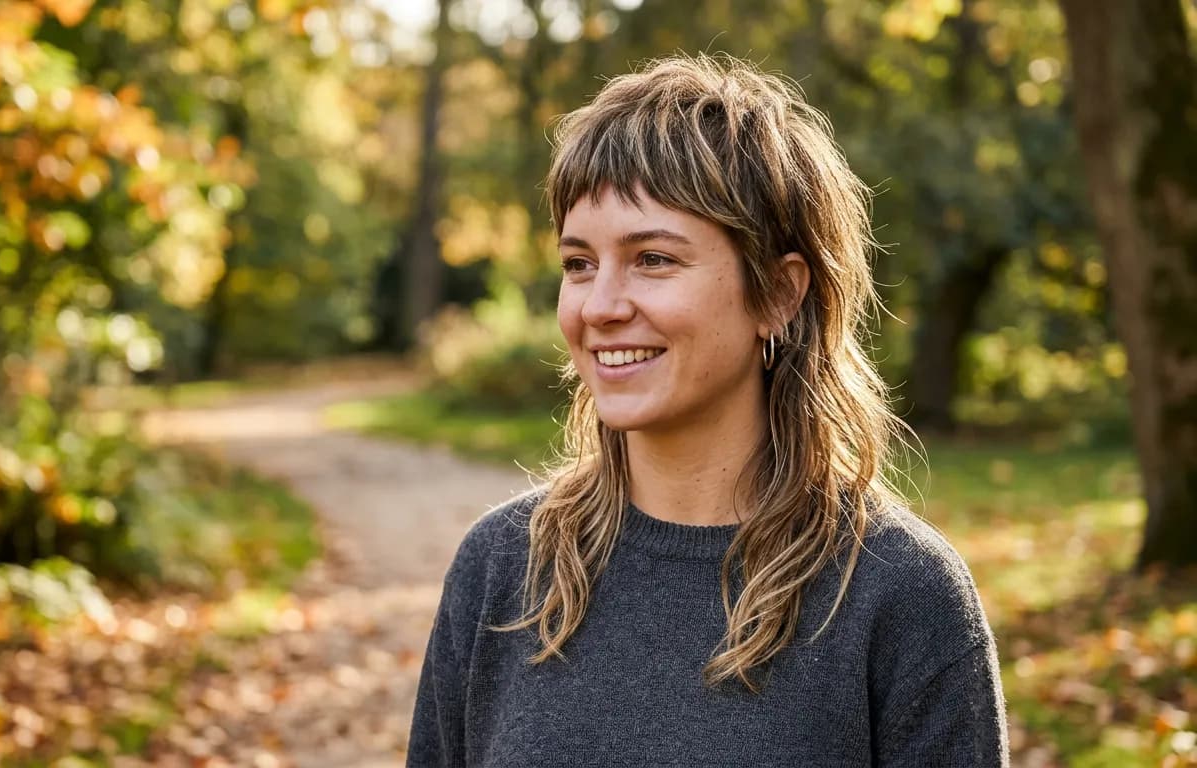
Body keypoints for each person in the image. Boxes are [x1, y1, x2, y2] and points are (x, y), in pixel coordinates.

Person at [406, 54, 1007, 768]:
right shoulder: (500, 568)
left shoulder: (902, 596)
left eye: (653, 259)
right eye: (578, 263)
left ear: (779, 294)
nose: (600, 306)